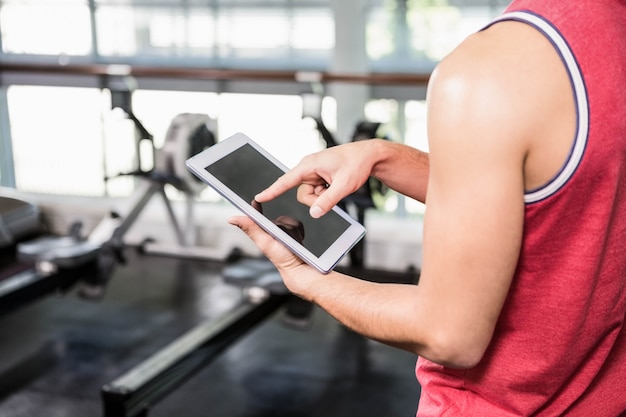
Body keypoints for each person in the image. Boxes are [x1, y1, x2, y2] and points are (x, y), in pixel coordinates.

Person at [228, 0, 626, 415]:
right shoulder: (608, 30)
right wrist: (383, 156)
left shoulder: (488, 72)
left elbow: (449, 335)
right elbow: (564, 194)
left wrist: (304, 277)